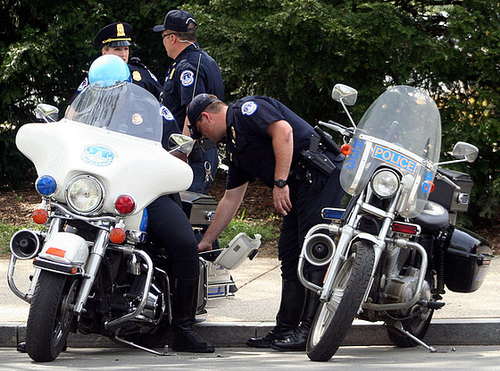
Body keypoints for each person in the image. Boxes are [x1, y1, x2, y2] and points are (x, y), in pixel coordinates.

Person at [187, 93, 345, 352]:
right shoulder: (236, 147)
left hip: (319, 175)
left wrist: (279, 183)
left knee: (314, 251)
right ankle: (285, 328)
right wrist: (205, 242)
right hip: (299, 186)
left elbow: (283, 131)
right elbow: (231, 199)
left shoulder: (247, 111)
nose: (202, 136)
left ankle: (310, 329)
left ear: (206, 117)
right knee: (290, 253)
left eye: (199, 130)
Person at [153, 10, 224, 194]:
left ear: (173, 38)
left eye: (163, 36)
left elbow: (192, 113)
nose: (163, 42)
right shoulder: (202, 59)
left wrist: (182, 152)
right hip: (199, 151)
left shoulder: (188, 66)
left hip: (192, 154)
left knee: (185, 208)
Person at [70, 22, 163, 102]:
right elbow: (74, 107)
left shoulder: (140, 73)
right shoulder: (97, 76)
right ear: (104, 52)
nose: (123, 54)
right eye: (117, 49)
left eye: (126, 49)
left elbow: (163, 99)